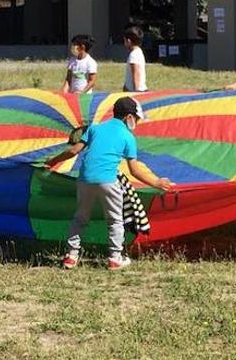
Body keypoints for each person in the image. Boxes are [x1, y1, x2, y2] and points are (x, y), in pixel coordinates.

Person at [46, 97, 172, 271]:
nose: (137, 122)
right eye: (136, 118)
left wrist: (53, 160)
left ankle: (70, 256)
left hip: (85, 180)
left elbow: (74, 150)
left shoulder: (95, 128)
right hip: (108, 181)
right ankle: (114, 258)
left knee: (80, 218)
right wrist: (157, 182)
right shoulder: (127, 137)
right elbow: (135, 170)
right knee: (115, 220)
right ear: (129, 117)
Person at [122, 25, 147, 92]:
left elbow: (136, 74)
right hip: (140, 89)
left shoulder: (133, 55)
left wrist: (135, 92)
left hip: (134, 91)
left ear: (129, 41)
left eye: (124, 41)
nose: (124, 44)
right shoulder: (139, 51)